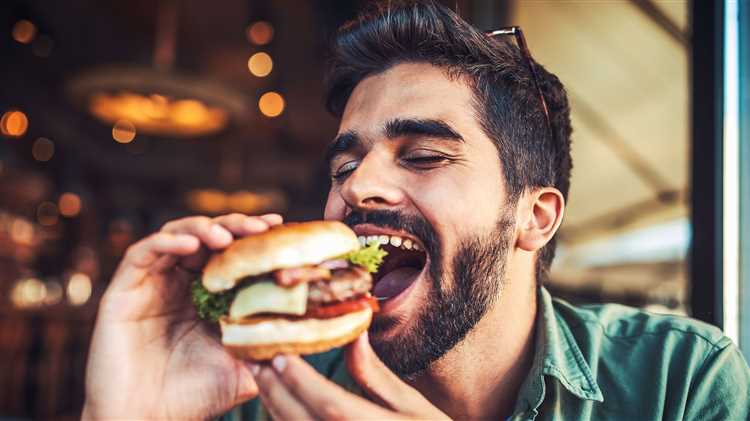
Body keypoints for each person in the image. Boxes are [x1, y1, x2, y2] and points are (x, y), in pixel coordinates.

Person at [81, 1, 750, 420]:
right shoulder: (254, 388)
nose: (358, 186)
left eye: (424, 155)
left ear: (535, 216)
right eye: (344, 166)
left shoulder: (677, 382)